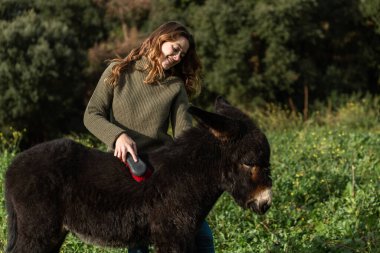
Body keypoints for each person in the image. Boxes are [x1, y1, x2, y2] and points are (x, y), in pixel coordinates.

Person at [83, 21, 215, 253]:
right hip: (125, 170)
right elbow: (91, 115)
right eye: (175, 49)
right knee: (138, 243)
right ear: (160, 39)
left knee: (202, 237)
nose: (176, 57)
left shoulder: (175, 87)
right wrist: (118, 136)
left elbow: (185, 136)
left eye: (182, 55)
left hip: (162, 172)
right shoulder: (118, 70)